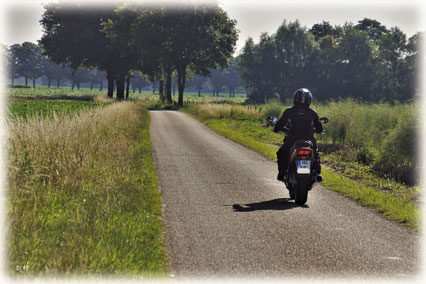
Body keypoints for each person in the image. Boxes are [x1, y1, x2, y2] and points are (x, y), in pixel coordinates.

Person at [273, 88, 324, 181]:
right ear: (309, 99)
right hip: (309, 140)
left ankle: (282, 174)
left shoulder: (289, 111)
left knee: (282, 153)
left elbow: (279, 125)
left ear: (295, 99)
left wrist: (277, 129)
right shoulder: (312, 112)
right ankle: (316, 174)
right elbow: (319, 128)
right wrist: (319, 130)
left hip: (292, 139)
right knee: (316, 156)